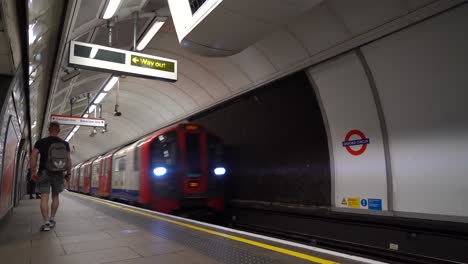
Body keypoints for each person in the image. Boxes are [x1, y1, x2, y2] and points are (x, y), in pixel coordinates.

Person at [30, 121, 71, 231]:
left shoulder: (40, 142)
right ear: (58, 130)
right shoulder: (64, 144)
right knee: (55, 196)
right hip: (58, 173)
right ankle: (52, 219)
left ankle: (46, 222)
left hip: (44, 172)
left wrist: (33, 172)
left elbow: (33, 157)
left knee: (44, 197)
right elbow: (68, 160)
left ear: (49, 129)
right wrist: (68, 174)